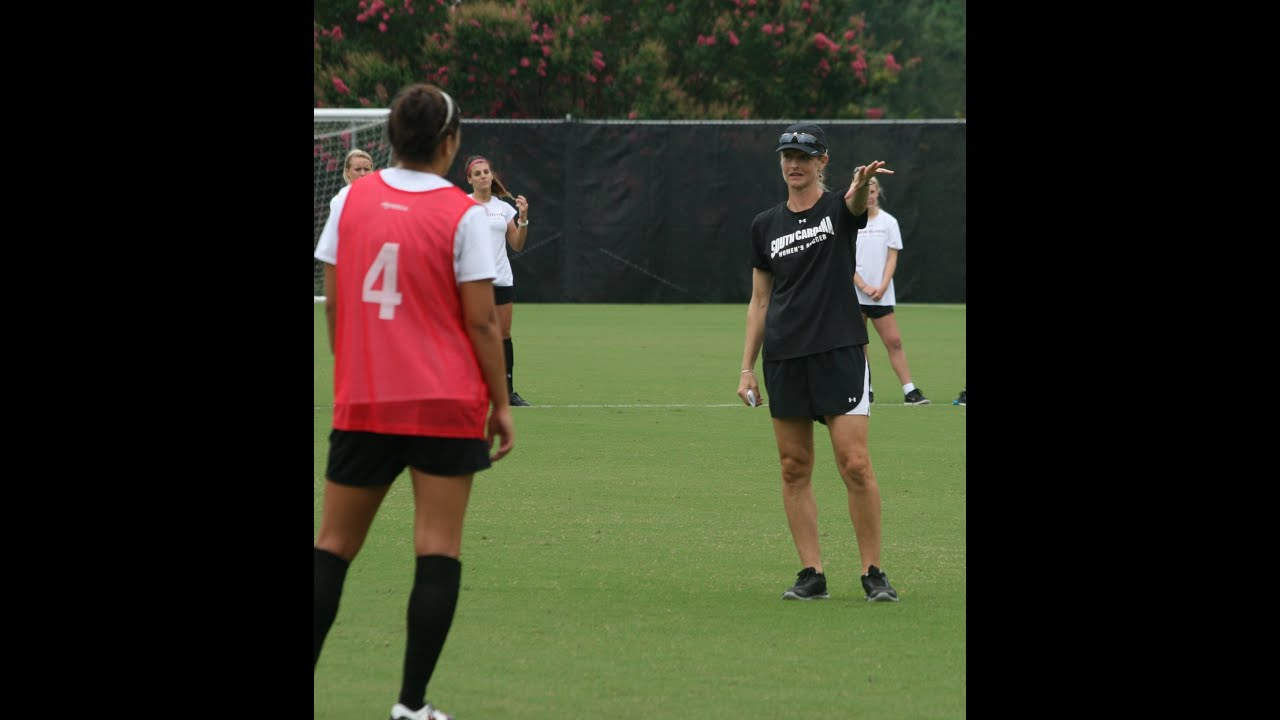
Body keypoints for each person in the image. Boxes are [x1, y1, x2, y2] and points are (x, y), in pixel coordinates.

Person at [313, 83, 514, 720]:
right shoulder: (463, 214)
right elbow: (483, 323)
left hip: (367, 401)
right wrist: (500, 404)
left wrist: (358, 373)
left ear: (390, 138)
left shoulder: (349, 200)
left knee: (332, 547)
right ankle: (410, 706)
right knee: (436, 548)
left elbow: (339, 307)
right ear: (450, 143)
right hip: (444, 405)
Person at [737, 122, 899, 603]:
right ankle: (812, 573)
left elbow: (851, 206)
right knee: (793, 466)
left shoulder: (838, 210)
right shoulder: (764, 225)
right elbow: (759, 301)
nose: (794, 164)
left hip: (838, 351)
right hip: (785, 355)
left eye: (804, 156)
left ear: (822, 162)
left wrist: (858, 188)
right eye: (788, 155)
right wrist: (747, 366)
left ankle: (873, 572)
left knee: (854, 463)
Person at [852, 176, 929, 405]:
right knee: (859, 343)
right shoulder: (849, 222)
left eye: (872, 191)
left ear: (878, 193)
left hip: (881, 295)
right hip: (854, 294)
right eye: (864, 192)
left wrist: (881, 286)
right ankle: (866, 390)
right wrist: (862, 286)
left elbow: (892, 258)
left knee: (894, 341)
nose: (869, 196)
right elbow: (844, 259)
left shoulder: (888, 222)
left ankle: (909, 391)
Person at [463, 155, 532, 407]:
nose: (483, 176)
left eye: (486, 172)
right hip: (473, 280)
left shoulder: (503, 208)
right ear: (469, 179)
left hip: (501, 278)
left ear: (491, 176)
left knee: (503, 335)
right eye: (477, 173)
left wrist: (523, 219)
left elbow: (517, 243)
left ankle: (507, 390)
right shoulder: (461, 205)